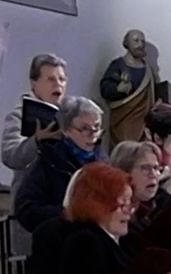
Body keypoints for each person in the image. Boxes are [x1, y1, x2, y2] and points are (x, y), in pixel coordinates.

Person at [12, 95, 103, 232]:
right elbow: (26, 210)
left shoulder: (103, 161)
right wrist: (66, 213)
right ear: (66, 130)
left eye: (96, 127)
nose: (93, 135)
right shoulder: (49, 161)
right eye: (85, 128)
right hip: (60, 241)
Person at [2, 52, 66, 172]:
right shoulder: (19, 115)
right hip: (31, 187)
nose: (58, 84)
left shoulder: (71, 113)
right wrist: (36, 141)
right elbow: (10, 156)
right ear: (34, 83)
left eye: (62, 79)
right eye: (51, 79)